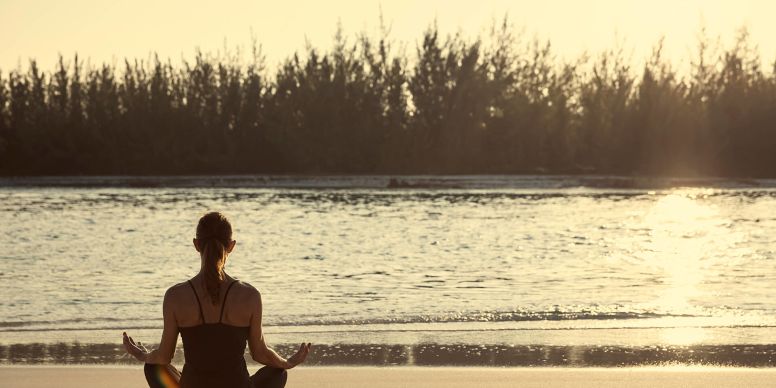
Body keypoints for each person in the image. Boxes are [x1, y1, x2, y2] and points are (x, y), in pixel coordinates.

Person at [123, 212, 311, 388]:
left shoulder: (175, 295)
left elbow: (164, 357)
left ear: (196, 245)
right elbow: (260, 353)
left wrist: (141, 354)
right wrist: (288, 362)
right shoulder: (250, 295)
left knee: (153, 367)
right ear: (231, 246)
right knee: (278, 372)